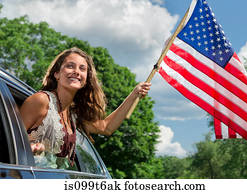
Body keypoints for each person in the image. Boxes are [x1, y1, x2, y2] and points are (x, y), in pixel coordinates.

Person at [19, 47, 151, 169]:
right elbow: (8, 139)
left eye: (82, 69)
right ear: (57, 74)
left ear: (86, 79)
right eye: (70, 66)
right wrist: (28, 148)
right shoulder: (41, 101)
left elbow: (106, 127)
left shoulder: (73, 114)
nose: (76, 71)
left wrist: (134, 94)